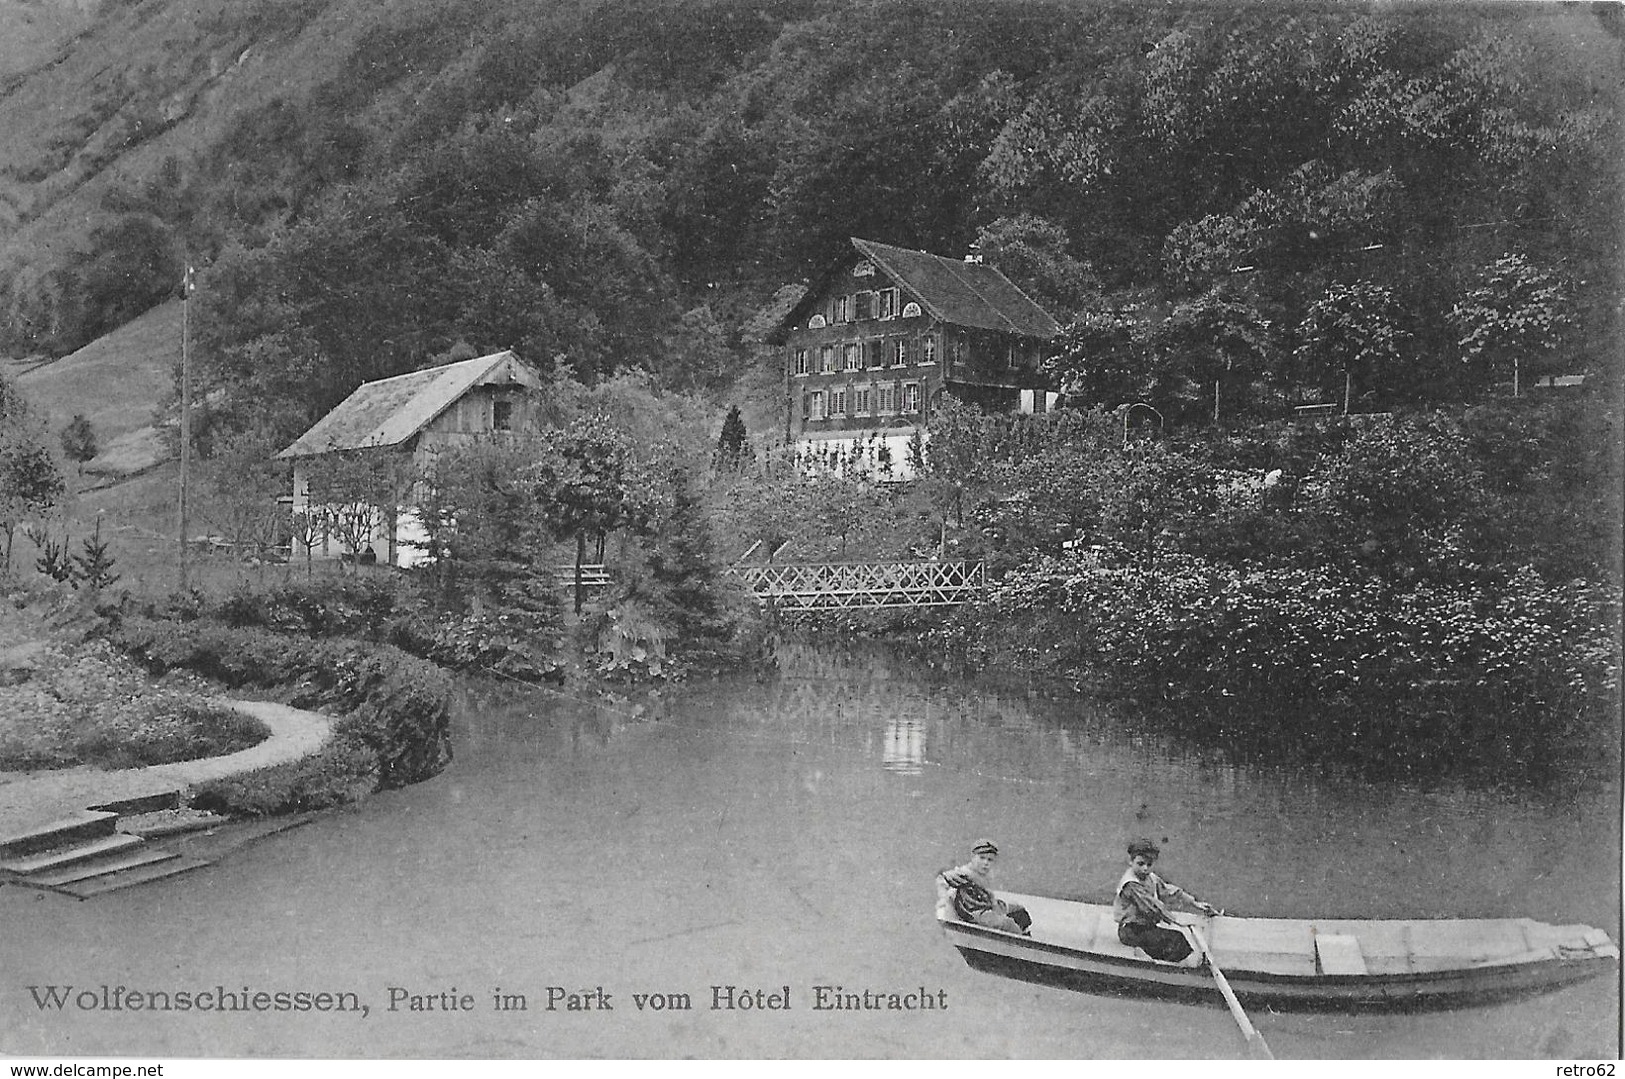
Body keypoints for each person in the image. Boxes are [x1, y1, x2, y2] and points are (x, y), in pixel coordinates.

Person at [1113, 837, 1219, 964]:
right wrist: (1177, 920)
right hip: (1130, 930)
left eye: (1149, 864)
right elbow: (1151, 906)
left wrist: (1194, 903)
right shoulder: (1131, 884)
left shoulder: (1150, 877)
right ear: (1130, 861)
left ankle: (1163, 959)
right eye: (1140, 864)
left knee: (1175, 939)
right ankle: (1155, 961)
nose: (1145, 868)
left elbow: (1169, 890)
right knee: (1175, 939)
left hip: (1144, 927)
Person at [936, 839, 1032, 935]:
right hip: (974, 913)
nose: (986, 863)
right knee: (1007, 924)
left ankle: (1025, 931)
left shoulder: (984, 875)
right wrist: (944, 900)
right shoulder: (966, 873)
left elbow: (988, 896)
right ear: (973, 857)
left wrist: (997, 905)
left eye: (990, 860)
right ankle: (1020, 940)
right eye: (982, 858)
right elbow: (944, 879)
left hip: (986, 905)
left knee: (1018, 909)